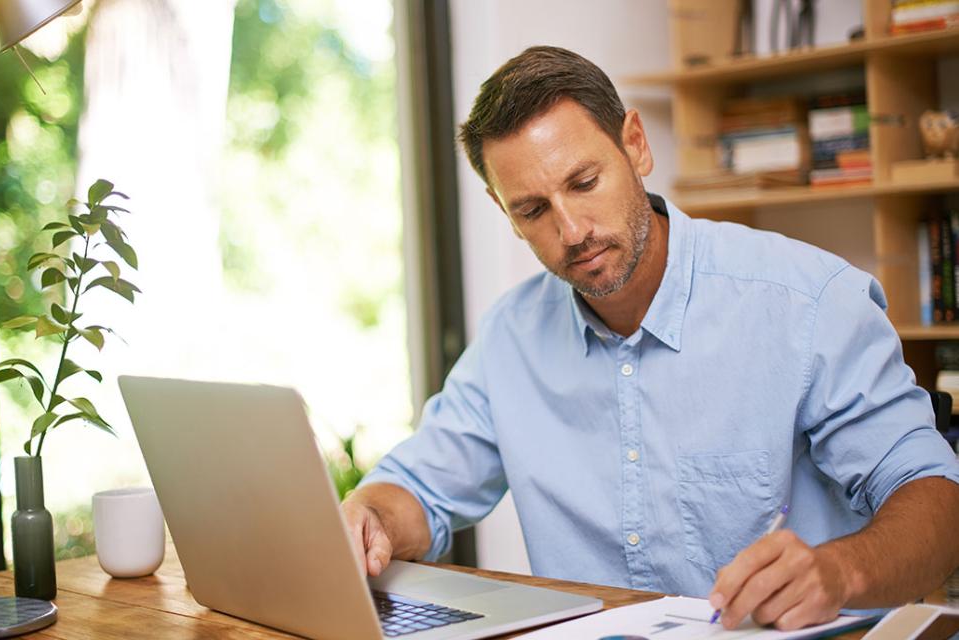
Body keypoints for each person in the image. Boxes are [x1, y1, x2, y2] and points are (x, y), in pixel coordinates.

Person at [341, 45, 959, 631]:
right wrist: (370, 519)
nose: (573, 230)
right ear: (505, 212)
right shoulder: (512, 336)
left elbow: (937, 501)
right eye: (533, 210)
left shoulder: (808, 302)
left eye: (584, 182)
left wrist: (839, 571)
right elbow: (418, 491)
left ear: (635, 145)